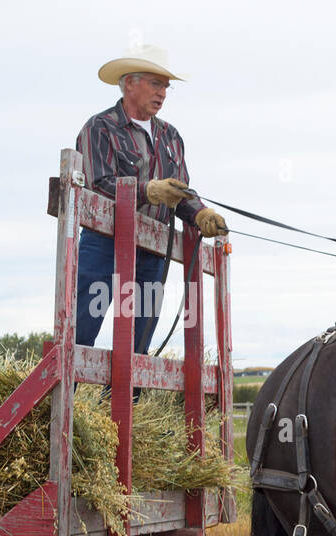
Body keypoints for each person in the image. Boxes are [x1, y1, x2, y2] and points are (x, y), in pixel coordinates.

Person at [74, 44, 228, 356]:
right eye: (155, 84)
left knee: (139, 339)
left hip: (152, 248)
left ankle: (125, 406)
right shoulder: (100, 127)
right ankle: (65, 402)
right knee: (83, 327)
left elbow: (180, 191)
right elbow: (99, 185)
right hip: (105, 242)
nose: (162, 94)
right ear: (129, 82)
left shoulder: (170, 136)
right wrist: (149, 191)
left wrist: (199, 214)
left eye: (166, 87)